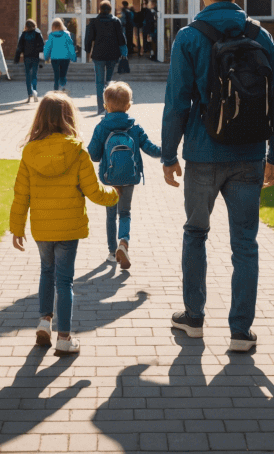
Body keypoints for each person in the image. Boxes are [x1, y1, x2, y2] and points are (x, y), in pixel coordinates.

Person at [161, 0, 274, 352]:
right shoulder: (260, 35)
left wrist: (168, 155)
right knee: (245, 243)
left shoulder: (189, 36)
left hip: (202, 152)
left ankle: (194, 319)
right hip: (250, 153)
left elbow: (177, 102)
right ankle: (240, 332)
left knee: (195, 233)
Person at [9, 92, 119, 354]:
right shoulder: (77, 151)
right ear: (68, 118)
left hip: (42, 227)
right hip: (68, 227)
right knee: (65, 281)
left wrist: (16, 228)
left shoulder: (30, 152)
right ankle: (64, 337)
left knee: (46, 272)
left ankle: (44, 322)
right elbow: (94, 192)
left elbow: (21, 194)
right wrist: (114, 194)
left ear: (40, 119)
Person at [88, 81, 161, 269]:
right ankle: (124, 243)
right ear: (128, 106)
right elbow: (150, 149)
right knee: (125, 213)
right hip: (129, 176)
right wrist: (167, 151)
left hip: (109, 178)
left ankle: (112, 252)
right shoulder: (134, 127)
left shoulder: (102, 127)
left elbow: (94, 155)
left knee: (111, 215)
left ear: (105, 106)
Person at [85, 0, 127, 115]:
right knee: (109, 82)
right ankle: (109, 108)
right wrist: (124, 52)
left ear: (100, 9)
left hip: (98, 55)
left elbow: (89, 38)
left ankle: (100, 108)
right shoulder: (116, 21)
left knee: (99, 82)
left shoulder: (94, 21)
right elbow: (121, 39)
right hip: (112, 55)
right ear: (110, 9)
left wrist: (87, 51)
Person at [14, 18, 45, 103]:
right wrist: (37, 50)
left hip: (26, 57)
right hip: (35, 57)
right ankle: (35, 91)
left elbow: (19, 47)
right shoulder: (37, 34)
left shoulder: (24, 34)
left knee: (28, 76)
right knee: (34, 75)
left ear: (26, 26)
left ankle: (29, 94)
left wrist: (16, 58)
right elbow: (42, 46)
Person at [43, 18, 77, 92]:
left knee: (56, 75)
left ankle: (56, 90)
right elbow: (70, 46)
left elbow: (48, 47)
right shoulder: (66, 34)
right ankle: (63, 87)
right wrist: (73, 57)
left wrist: (46, 57)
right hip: (65, 58)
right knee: (63, 74)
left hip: (54, 59)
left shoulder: (51, 36)